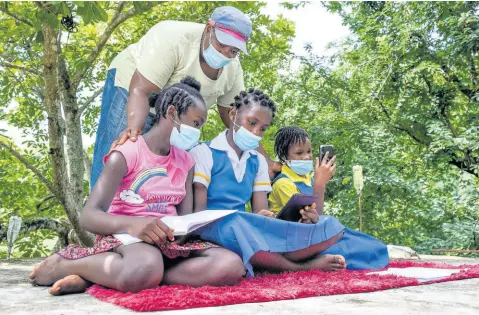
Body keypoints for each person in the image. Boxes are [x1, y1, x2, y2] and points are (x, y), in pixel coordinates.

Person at [29, 77, 246, 295]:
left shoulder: (186, 162)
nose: (198, 132)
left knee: (230, 265)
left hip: (166, 243)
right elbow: (89, 217)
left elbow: (185, 217)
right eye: (196, 123)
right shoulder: (127, 153)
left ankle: (118, 277)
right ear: (171, 113)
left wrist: (182, 234)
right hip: (125, 236)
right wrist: (135, 225)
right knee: (145, 266)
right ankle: (66, 264)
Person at [91, 6, 281, 189]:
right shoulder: (172, 39)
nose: (225, 53)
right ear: (209, 29)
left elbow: (235, 118)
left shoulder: (233, 69)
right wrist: (133, 129)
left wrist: (265, 159)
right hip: (133, 89)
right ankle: (100, 214)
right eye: (221, 44)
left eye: (233, 51)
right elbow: (141, 90)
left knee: (170, 169)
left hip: (177, 116)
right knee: (123, 149)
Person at [189, 88, 348, 277]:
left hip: (247, 228)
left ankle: (266, 260)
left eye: (263, 128)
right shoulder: (204, 153)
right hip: (214, 228)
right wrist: (243, 220)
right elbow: (198, 216)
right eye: (252, 123)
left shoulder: (257, 161)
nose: (256, 133)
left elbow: (260, 214)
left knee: (331, 225)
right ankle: (297, 267)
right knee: (237, 221)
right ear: (233, 114)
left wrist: (273, 218)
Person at [268, 126, 389, 270]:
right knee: (352, 252)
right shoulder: (284, 183)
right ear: (284, 157)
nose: (306, 157)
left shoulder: (308, 177)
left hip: (315, 233)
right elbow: (310, 219)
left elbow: (317, 216)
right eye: (299, 153)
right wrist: (320, 184)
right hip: (297, 241)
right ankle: (312, 264)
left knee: (374, 246)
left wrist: (319, 181)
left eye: (309, 151)